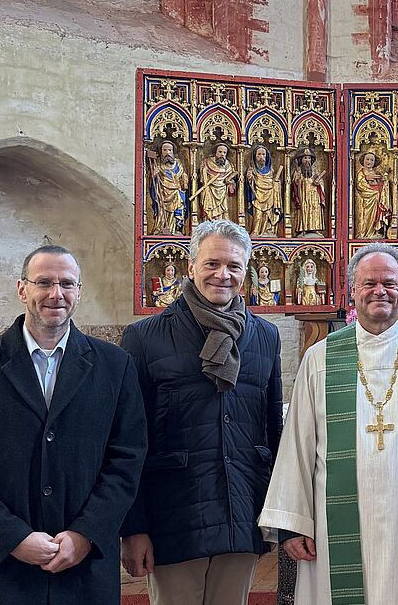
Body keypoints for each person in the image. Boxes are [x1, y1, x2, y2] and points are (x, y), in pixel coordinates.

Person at [0, 245, 146, 603]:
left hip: (83, 574)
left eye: (66, 283)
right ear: (22, 289)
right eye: (43, 282)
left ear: (79, 291)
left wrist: (85, 534)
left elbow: (127, 461)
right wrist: (12, 538)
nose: (55, 294)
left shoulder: (115, 367)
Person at [258, 243, 398, 604]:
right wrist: (293, 522)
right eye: (369, 282)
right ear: (352, 290)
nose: (380, 291)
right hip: (332, 527)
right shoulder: (320, 358)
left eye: (389, 283)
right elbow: (297, 443)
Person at [120, 219, 284, 605]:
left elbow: (271, 430)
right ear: (191, 267)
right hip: (174, 515)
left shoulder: (265, 336)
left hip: (241, 507)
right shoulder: (145, 338)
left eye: (233, 266)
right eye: (212, 263)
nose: (222, 274)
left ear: (246, 272)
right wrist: (134, 527)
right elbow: (128, 440)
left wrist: (277, 512)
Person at [148, 141, 189, 235]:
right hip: (163, 192)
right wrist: (154, 174)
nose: (167, 152)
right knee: (162, 210)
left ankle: (175, 229)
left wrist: (184, 177)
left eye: (170, 150)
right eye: (165, 150)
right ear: (161, 152)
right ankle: (161, 228)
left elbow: (182, 175)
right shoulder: (158, 164)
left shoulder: (178, 164)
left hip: (176, 191)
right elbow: (152, 181)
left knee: (178, 209)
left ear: (173, 152)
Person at [246, 145, 283, 236]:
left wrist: (276, 183)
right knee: (257, 215)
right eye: (259, 154)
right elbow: (248, 184)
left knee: (268, 214)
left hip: (270, 194)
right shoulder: (252, 169)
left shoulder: (271, 170)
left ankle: (267, 230)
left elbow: (274, 180)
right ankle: (255, 231)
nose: (261, 157)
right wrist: (249, 178)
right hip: (257, 195)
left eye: (263, 154)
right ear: (255, 156)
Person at [292, 148, 329, 237]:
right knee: (303, 211)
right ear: (301, 160)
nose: (307, 160)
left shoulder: (315, 172)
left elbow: (321, 183)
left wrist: (319, 183)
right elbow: (294, 185)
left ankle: (315, 229)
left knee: (315, 210)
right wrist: (297, 181)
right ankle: (302, 229)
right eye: (305, 158)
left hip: (314, 196)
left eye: (309, 158)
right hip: (303, 196)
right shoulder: (298, 172)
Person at [355, 151, 392, 238]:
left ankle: (377, 231)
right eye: (367, 159)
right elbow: (360, 185)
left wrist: (385, 181)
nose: (369, 162)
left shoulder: (377, 172)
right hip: (368, 198)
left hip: (378, 197)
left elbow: (383, 182)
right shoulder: (361, 172)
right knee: (367, 215)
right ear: (363, 160)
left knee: (378, 214)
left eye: (372, 160)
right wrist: (372, 192)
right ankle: (366, 233)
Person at [197, 143, 237, 222]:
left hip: (222, 189)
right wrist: (204, 173)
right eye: (220, 152)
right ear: (215, 152)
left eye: (224, 153)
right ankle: (209, 221)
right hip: (210, 188)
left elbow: (231, 179)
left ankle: (221, 221)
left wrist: (230, 182)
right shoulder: (207, 162)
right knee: (208, 205)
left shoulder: (229, 165)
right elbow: (202, 178)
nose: (222, 154)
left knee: (223, 207)